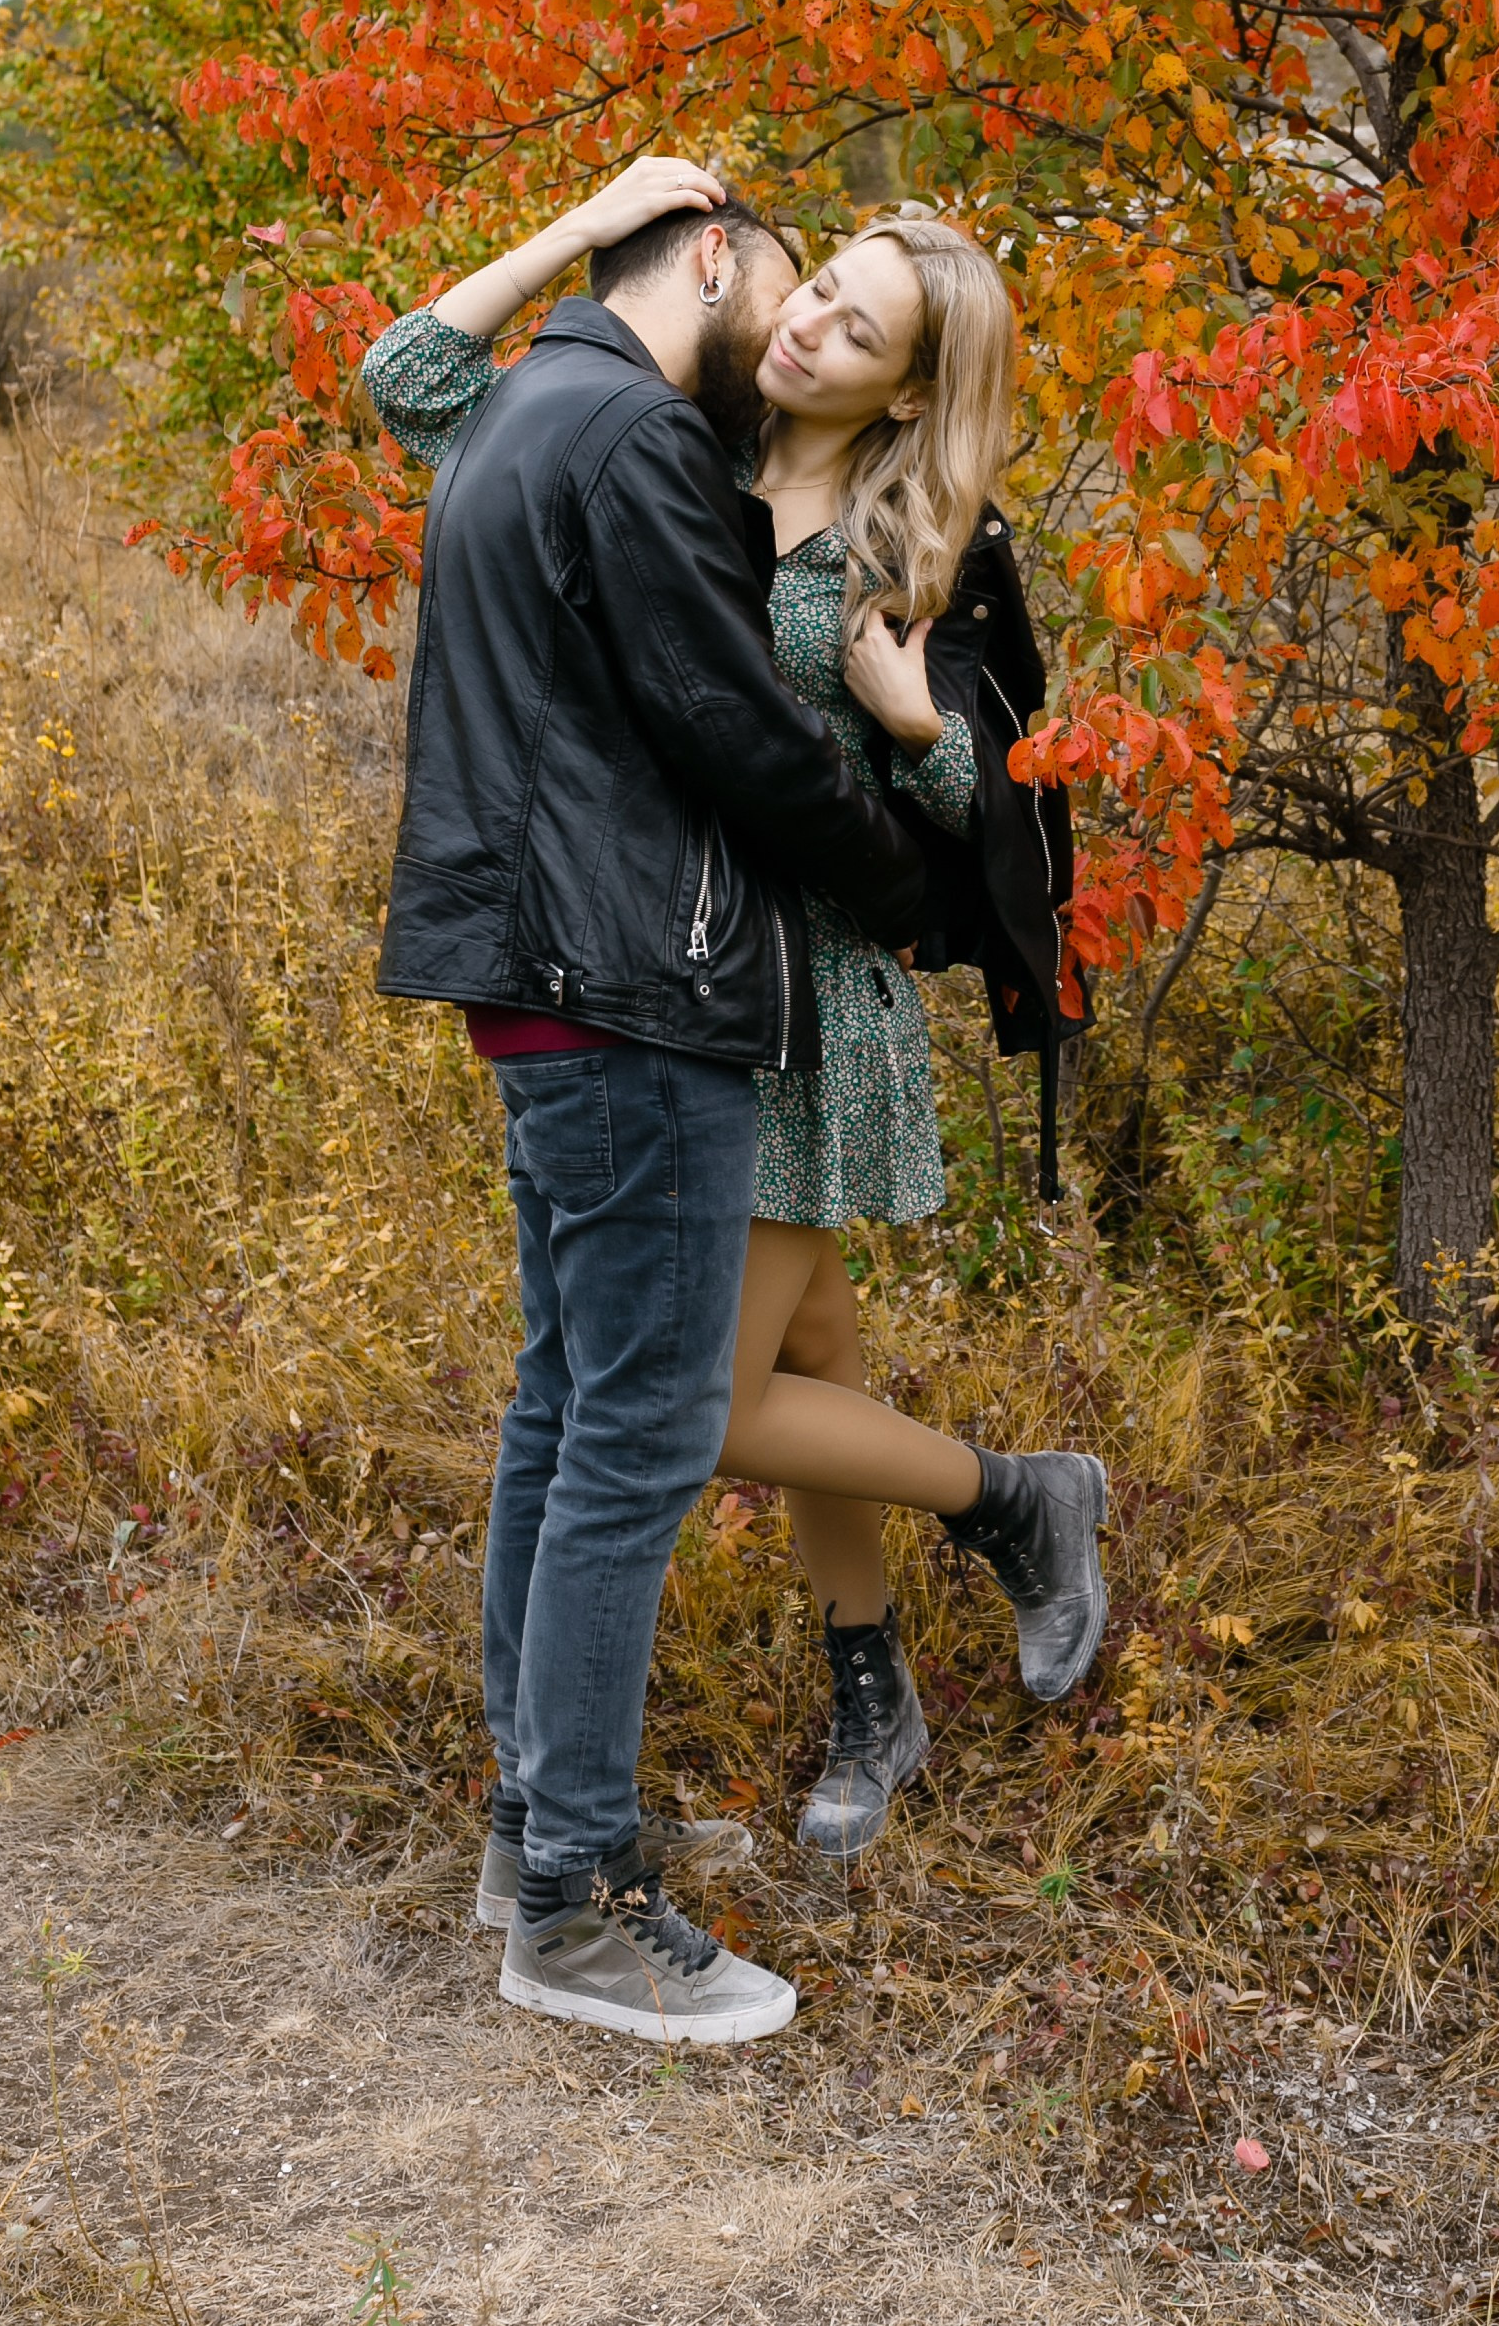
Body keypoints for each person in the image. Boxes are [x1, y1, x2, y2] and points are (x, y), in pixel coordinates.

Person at [363, 158, 1100, 1930]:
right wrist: (579, 225)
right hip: (674, 973)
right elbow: (417, 384)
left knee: (694, 1413)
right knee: (793, 1364)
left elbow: (989, 821)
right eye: (822, 282)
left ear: (910, 390)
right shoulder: (669, 441)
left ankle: (1021, 1501)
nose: (819, 320)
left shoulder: (917, 543)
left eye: (865, 324)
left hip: (806, 999)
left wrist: (918, 728)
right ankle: (880, 1680)